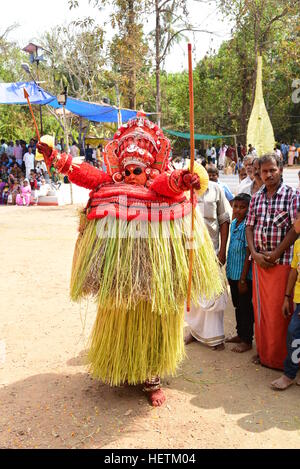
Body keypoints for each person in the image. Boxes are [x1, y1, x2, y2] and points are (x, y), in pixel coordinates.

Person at [36, 114, 224, 407]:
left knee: (156, 317)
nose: (129, 176)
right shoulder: (113, 182)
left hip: (155, 272)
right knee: (118, 312)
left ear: (148, 167)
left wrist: (183, 180)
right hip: (122, 272)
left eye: (136, 170)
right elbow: (87, 174)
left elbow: (169, 183)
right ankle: (120, 366)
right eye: (125, 171)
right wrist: (57, 158)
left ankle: (152, 378)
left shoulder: (160, 185)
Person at [246, 153, 300, 370]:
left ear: (281, 170)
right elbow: (249, 226)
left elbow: (296, 228)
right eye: (264, 171)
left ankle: (281, 361)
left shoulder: (292, 196)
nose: (267, 175)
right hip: (259, 264)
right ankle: (265, 355)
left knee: (281, 314)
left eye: (272, 170)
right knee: (262, 313)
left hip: (282, 264)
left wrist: (276, 253)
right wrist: (255, 253)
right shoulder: (257, 197)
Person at [184, 179, 230, 350]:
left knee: (213, 294)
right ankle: (195, 332)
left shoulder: (216, 189)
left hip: (212, 250)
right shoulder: (183, 190)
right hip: (188, 251)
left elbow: (224, 220)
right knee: (193, 294)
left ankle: (215, 337)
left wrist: (222, 251)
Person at [271, 213, 300, 390]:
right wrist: (287, 298)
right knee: (295, 334)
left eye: (297, 217)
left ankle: (289, 374)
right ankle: (291, 373)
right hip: (297, 299)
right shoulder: (297, 244)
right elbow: (293, 272)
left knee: (294, 333)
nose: (294, 220)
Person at [226, 194, 254, 352]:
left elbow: (248, 253)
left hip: (243, 277)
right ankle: (240, 333)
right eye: (235, 206)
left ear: (249, 209)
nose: (237, 210)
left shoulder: (247, 227)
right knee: (237, 305)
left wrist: (243, 279)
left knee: (245, 308)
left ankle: (247, 340)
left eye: (242, 207)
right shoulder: (234, 223)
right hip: (233, 273)